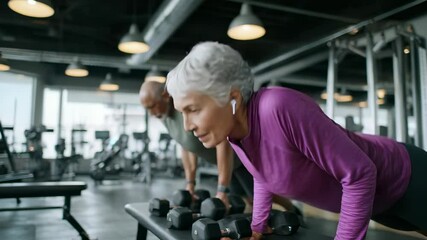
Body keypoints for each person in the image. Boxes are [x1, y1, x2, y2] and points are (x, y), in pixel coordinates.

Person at [165, 41, 427, 240]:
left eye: (193, 110)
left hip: (409, 178)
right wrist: (257, 229)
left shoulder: (278, 107)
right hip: (379, 204)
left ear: (232, 99)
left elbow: (360, 173)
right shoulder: (237, 134)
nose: (187, 127)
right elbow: (262, 174)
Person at [139, 80, 298, 214]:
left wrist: (222, 189)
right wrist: (190, 183)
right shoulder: (164, 117)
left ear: (165, 97)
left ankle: (293, 210)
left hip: (241, 157)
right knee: (245, 199)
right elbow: (186, 146)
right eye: (147, 109)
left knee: (261, 197)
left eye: (152, 106)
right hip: (227, 165)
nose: (151, 113)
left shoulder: (186, 108)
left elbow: (223, 142)